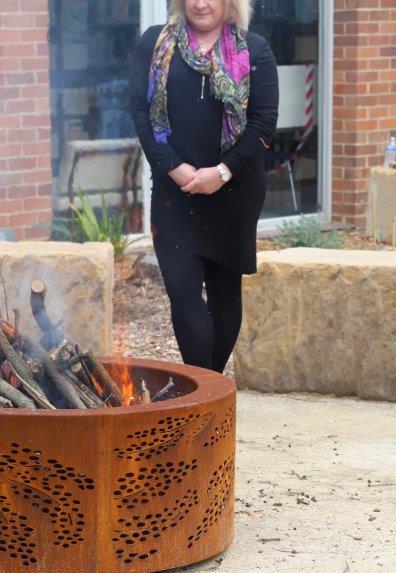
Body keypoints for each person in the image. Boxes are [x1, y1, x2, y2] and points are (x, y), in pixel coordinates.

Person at [130, 0, 278, 373]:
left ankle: (207, 390)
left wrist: (222, 172)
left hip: (234, 193)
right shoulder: (153, 43)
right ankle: (204, 389)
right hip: (173, 194)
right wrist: (173, 168)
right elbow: (140, 112)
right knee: (182, 293)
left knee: (225, 293)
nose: (200, 3)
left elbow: (263, 123)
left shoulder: (255, 49)